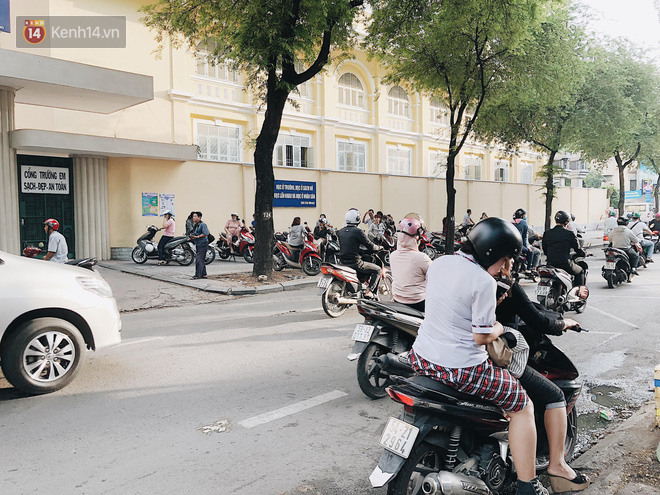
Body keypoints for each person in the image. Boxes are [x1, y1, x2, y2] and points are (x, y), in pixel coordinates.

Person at [410, 217, 547, 495]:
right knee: (523, 406)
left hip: (422, 356)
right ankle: (527, 485)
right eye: (506, 259)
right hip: (462, 368)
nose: (506, 267)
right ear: (491, 253)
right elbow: (482, 337)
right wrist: (498, 326)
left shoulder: (440, 263)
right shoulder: (483, 280)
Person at [496, 267, 590, 493]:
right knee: (550, 396)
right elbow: (536, 320)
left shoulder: (457, 275)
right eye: (507, 259)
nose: (509, 266)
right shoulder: (501, 285)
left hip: (440, 358)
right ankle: (554, 466)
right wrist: (562, 323)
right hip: (489, 358)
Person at [390, 215, 432, 312]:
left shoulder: (393, 255)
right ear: (415, 238)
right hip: (418, 302)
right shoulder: (421, 258)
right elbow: (436, 273)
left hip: (397, 300)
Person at [337, 208, 382, 297]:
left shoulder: (341, 231)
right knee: (378, 270)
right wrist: (379, 247)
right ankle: (369, 292)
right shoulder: (358, 231)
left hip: (342, 262)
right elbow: (370, 245)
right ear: (357, 219)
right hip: (355, 263)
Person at [541, 211, 586, 286]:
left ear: (555, 220)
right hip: (565, 264)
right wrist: (583, 253)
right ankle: (579, 294)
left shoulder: (547, 233)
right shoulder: (569, 234)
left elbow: (544, 249)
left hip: (550, 264)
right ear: (566, 222)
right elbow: (577, 249)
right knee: (580, 271)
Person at [512, 208, 536, 273]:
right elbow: (524, 237)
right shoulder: (524, 223)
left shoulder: (511, 222)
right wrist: (527, 247)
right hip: (518, 245)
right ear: (522, 216)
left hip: (510, 245)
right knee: (531, 252)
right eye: (525, 214)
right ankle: (528, 269)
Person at [190, 211, 209, 279]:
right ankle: (204, 274)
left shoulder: (202, 224)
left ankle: (198, 275)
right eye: (193, 216)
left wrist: (197, 237)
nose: (193, 218)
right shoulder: (196, 225)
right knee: (201, 259)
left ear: (199, 217)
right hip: (198, 243)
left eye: (195, 216)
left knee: (199, 259)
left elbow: (206, 233)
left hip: (203, 243)